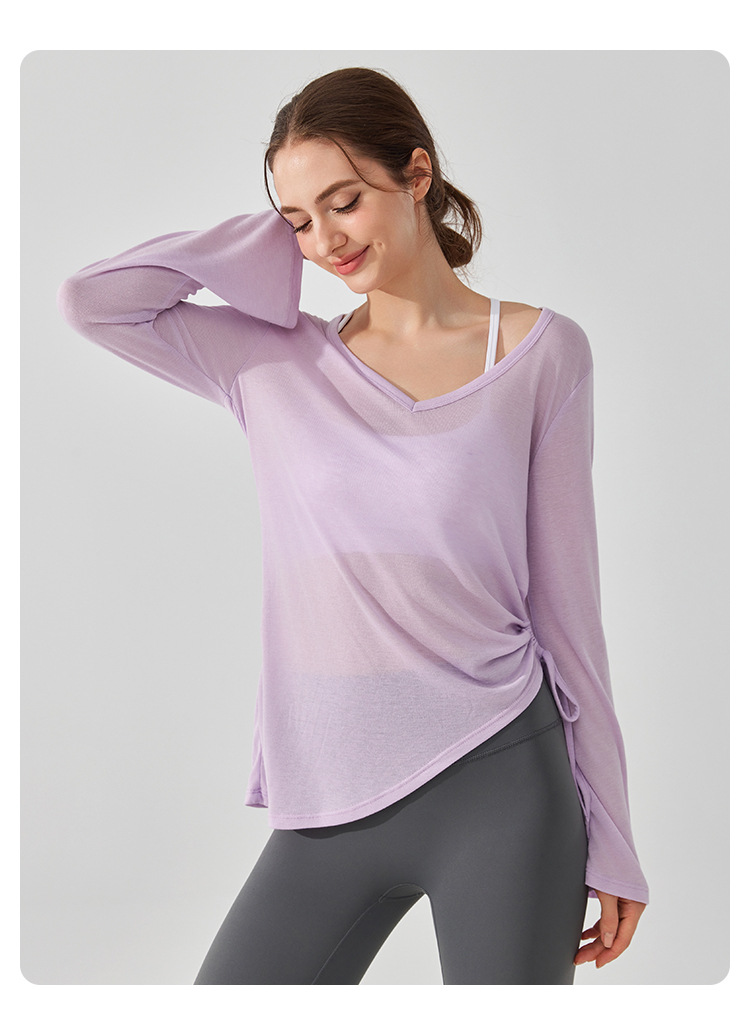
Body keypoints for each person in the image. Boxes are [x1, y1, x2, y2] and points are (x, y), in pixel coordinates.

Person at [56, 66, 649, 984]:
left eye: (346, 201)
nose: (326, 240)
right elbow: (93, 300)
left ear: (417, 174)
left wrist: (612, 831)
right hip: (326, 797)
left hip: (501, 772)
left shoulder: (540, 353)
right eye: (299, 221)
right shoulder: (273, 361)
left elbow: (571, 611)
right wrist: (265, 234)